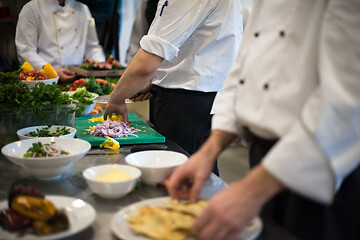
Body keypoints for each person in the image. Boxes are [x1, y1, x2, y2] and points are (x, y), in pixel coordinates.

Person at [167, 0, 360, 240]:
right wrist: (207, 152)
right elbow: (244, 68)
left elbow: (348, 99)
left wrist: (251, 191)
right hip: (263, 160)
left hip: (323, 163)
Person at [104, 0, 244, 175]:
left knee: (178, 177)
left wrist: (116, 99)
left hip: (186, 102)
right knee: (201, 175)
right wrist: (158, 79)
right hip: (207, 97)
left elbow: (145, 64)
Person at [15, 0, 106, 83]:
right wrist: (53, 73)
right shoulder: (32, 8)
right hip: (45, 81)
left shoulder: (83, 9)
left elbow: (92, 47)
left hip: (78, 81)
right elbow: (26, 51)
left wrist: (99, 63)